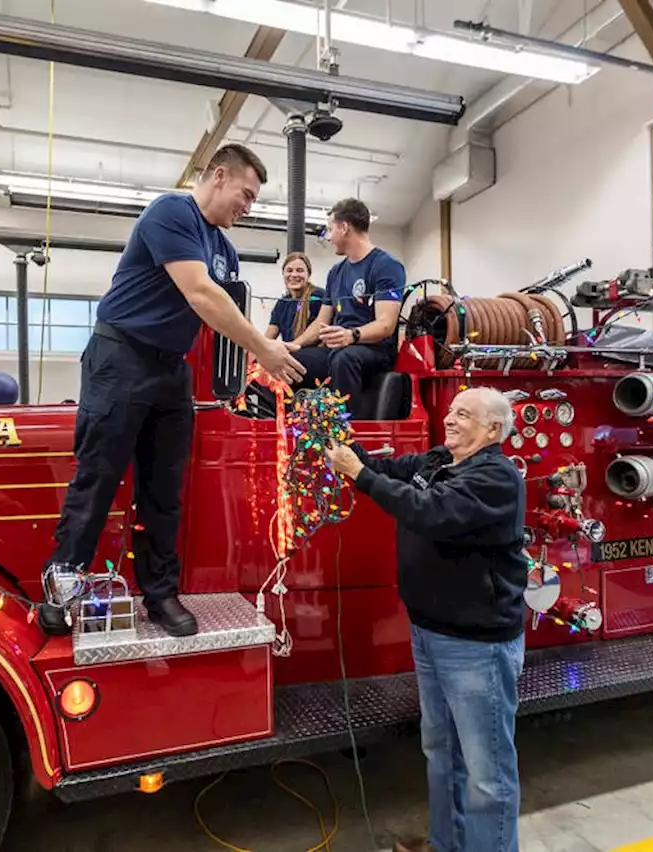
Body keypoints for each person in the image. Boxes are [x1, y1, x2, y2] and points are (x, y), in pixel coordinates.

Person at [46, 143, 304, 638]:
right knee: (98, 476)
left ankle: (160, 595)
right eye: (246, 195)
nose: (247, 208)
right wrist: (263, 351)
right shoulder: (171, 212)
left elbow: (222, 311)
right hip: (120, 358)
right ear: (219, 176)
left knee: (164, 491)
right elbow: (202, 294)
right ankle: (61, 586)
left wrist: (262, 356)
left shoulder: (223, 248)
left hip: (170, 371)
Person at [324, 387, 527, 852]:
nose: (451, 419)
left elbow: (428, 512)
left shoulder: (494, 477)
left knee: (487, 772)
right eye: (451, 411)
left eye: (464, 415)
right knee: (441, 752)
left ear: (493, 429)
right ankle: (445, 844)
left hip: (476, 646)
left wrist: (357, 475)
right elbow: (392, 470)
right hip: (431, 631)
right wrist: (343, 442)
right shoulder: (440, 462)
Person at [294, 197, 406, 403]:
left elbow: (386, 324)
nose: (328, 237)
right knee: (288, 363)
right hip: (338, 349)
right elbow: (321, 322)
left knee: (344, 359)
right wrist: (293, 345)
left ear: (344, 227)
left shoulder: (386, 266)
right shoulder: (335, 272)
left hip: (373, 350)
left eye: (330, 229)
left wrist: (351, 335)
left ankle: (345, 431)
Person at [264, 251, 322, 344]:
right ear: (283, 274)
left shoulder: (317, 297)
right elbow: (269, 336)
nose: (294, 275)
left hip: (313, 352)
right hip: (289, 351)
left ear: (308, 274)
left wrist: (291, 347)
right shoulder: (282, 303)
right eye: (289, 270)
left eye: (300, 270)